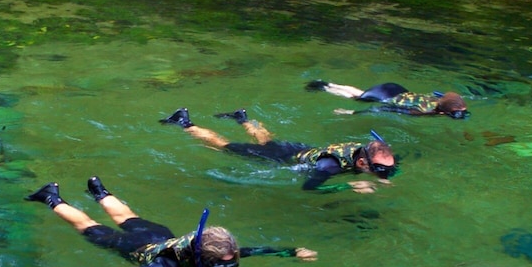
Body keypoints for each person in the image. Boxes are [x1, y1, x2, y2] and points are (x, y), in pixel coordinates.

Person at [23, 178, 318, 267]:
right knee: (87, 226)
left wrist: (292, 251)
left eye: (230, 260)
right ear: (203, 254)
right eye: (222, 264)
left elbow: (256, 250)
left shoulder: (218, 249)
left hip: (159, 234)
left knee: (127, 216)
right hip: (138, 245)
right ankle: (51, 196)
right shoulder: (167, 264)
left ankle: (99, 190)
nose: (228, 265)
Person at [159, 107, 397, 193]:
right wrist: (349, 185)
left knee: (268, 141)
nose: (384, 173)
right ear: (363, 164)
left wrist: (382, 175)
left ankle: (241, 117)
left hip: (303, 150)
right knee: (224, 147)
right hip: (286, 158)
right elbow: (309, 187)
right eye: (379, 170)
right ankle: (183, 122)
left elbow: (385, 163)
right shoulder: (330, 166)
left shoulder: (366, 153)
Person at [305, 80, 469, 119]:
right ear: (443, 112)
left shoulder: (437, 100)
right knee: (356, 98)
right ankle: (325, 87)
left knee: (360, 93)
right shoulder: (422, 111)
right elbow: (385, 109)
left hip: (395, 88)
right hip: (385, 96)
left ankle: (329, 83)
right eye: (456, 114)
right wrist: (352, 112)